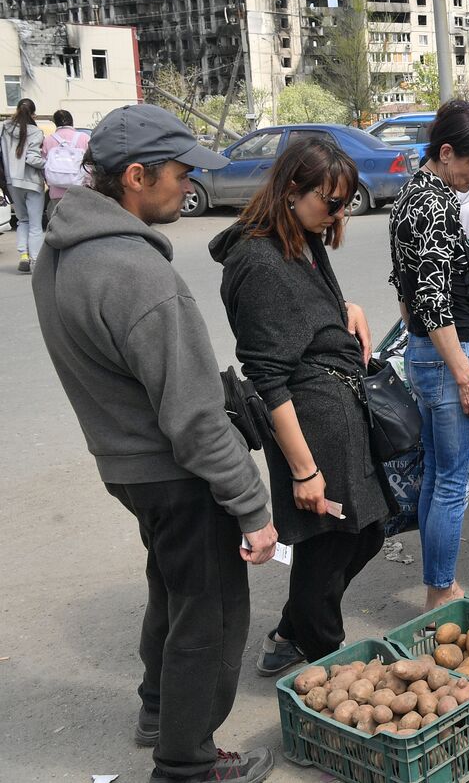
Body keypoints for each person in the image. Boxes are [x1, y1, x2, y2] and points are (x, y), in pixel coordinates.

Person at [33, 104, 277, 783]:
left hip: (128, 466)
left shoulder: (60, 250)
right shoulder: (136, 271)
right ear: (136, 177)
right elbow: (195, 418)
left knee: (172, 590)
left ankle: (158, 710)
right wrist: (252, 509)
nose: (190, 184)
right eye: (180, 171)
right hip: (177, 473)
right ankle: (186, 763)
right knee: (210, 615)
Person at [210, 136, 389, 677]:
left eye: (345, 204)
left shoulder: (300, 237)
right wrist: (304, 471)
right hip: (309, 426)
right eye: (331, 203)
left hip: (339, 413)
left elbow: (305, 306)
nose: (339, 215)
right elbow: (269, 380)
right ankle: (330, 665)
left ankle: (291, 632)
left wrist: (347, 307)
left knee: (367, 531)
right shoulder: (256, 261)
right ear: (292, 190)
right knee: (326, 548)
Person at [388, 99, 469, 610]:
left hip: (427, 352)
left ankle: (440, 584)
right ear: (448, 151)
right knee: (453, 482)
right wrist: (465, 376)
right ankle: (440, 591)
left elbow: (406, 289)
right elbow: (433, 302)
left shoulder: (412, 194)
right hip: (447, 356)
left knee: (438, 475)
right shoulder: (435, 206)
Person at [3, 97, 45, 272]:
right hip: (32, 182)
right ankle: (35, 260)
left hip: (12, 181)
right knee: (35, 224)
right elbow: (32, 158)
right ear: (33, 114)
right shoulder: (35, 132)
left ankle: (23, 255)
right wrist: (47, 163)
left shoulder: (3, 128)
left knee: (22, 220)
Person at [42, 109, 90, 201]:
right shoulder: (84, 138)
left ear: (55, 123)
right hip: (80, 192)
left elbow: (43, 167)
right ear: (72, 122)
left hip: (56, 194)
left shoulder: (48, 140)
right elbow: (91, 165)